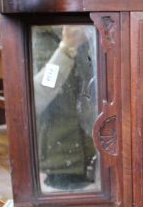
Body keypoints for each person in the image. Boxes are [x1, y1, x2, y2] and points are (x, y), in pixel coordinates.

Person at [32, 25, 98, 191]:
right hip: (59, 162)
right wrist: (66, 49)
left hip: (100, 155)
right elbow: (39, 95)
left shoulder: (93, 28)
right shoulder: (33, 33)